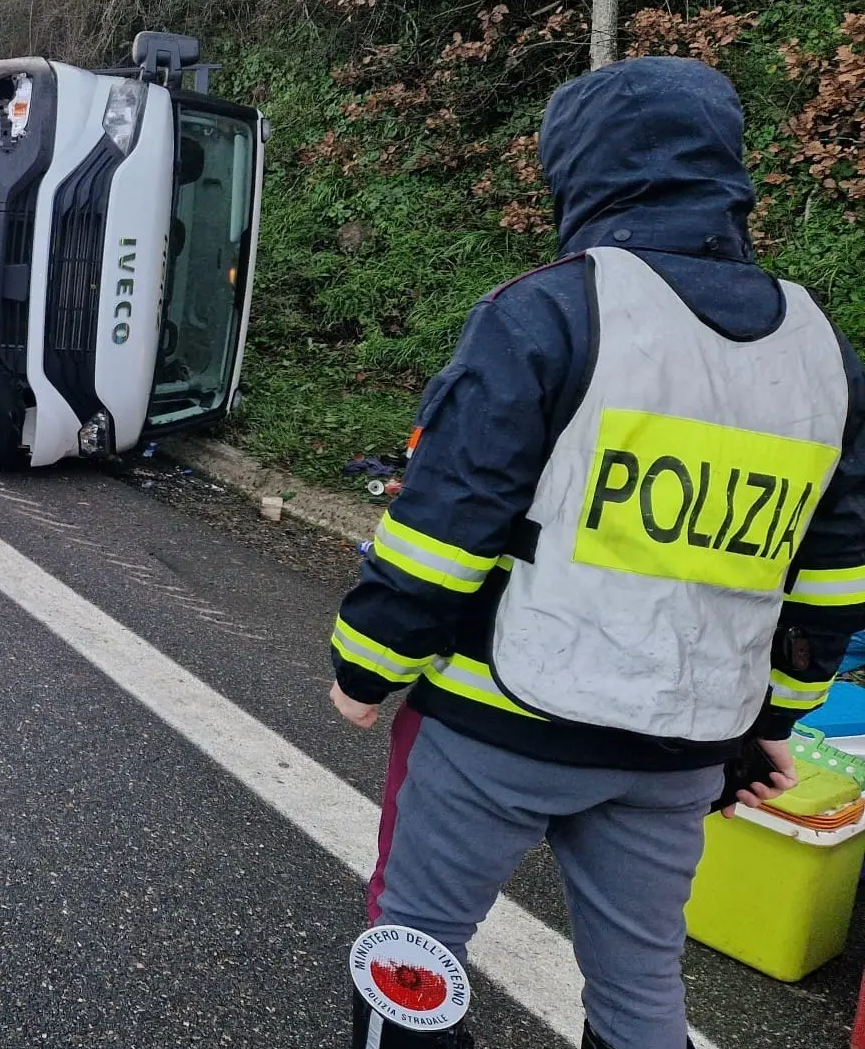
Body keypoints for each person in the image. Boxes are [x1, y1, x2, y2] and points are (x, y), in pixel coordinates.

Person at [328, 56, 865, 1049]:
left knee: (413, 959)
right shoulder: (817, 350)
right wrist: (769, 720)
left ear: (581, 170)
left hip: (498, 725)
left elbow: (448, 519)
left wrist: (367, 661)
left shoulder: (549, 310)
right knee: (638, 991)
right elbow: (832, 575)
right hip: (676, 750)